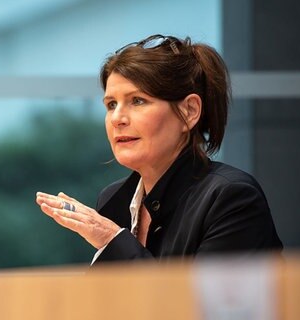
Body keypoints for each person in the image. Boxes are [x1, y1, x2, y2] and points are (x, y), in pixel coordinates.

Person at [35, 34, 283, 264]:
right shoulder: (114, 199)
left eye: (138, 101)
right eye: (111, 104)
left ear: (189, 112)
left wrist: (112, 239)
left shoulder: (232, 197)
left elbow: (202, 309)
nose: (117, 118)